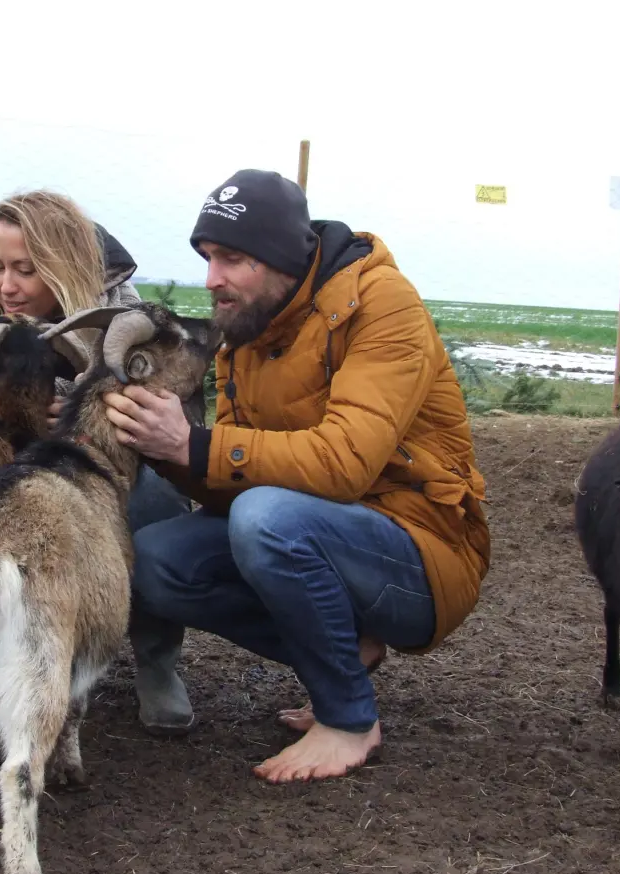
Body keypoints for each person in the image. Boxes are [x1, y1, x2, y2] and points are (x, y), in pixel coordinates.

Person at [102, 169, 492, 784]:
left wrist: (196, 445)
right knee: (153, 559)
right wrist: (163, 447)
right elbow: (228, 479)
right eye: (207, 258)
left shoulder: (382, 305)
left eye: (232, 258)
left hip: (420, 553)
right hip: (315, 535)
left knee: (268, 519)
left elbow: (345, 463)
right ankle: (345, 654)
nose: (213, 279)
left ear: (283, 257)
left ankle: (348, 720)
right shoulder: (248, 331)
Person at [0, 189, 192, 536]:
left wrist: (84, 415)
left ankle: (147, 578)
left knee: (151, 492)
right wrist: (16, 409)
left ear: (63, 268)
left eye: (25, 270)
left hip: (102, 463)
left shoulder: (122, 318)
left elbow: (146, 401)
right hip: (9, 467)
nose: (6, 287)